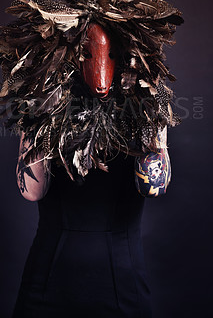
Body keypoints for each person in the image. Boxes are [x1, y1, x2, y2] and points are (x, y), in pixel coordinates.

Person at [11, 23, 172, 318]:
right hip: (48, 279)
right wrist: (36, 115)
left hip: (122, 281)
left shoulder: (142, 112)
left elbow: (154, 188)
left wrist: (155, 125)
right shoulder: (46, 108)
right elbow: (31, 192)